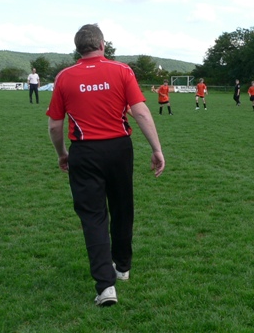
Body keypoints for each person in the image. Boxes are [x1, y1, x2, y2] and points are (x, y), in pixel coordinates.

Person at [46, 24, 165, 307]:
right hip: (119, 149)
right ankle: (122, 267)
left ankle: (105, 287)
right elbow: (140, 112)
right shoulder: (122, 70)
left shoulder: (64, 77)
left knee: (93, 216)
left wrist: (62, 153)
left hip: (84, 152)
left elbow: (54, 125)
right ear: (102, 44)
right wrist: (156, 149)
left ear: (78, 48)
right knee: (122, 207)